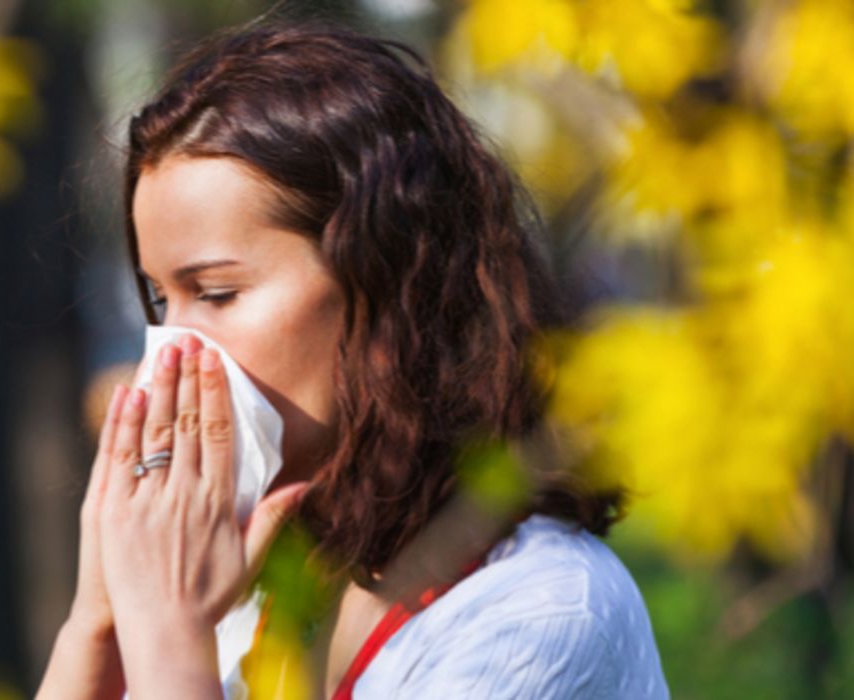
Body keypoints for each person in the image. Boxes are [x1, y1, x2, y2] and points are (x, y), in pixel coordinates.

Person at [37, 21, 668, 699]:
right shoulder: (243, 584)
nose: (169, 357)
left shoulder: (539, 614)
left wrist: (168, 642)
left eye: (216, 293)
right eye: (162, 302)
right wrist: (97, 626)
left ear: (386, 281)